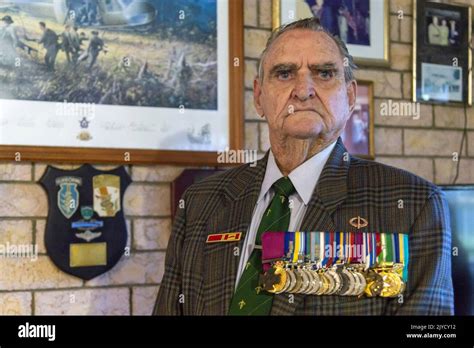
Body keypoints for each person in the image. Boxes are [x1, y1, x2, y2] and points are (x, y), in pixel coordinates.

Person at [154, 17, 454, 315]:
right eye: (284, 73)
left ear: (350, 97)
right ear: (259, 98)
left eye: (323, 73)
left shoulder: (414, 204)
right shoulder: (199, 202)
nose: (303, 90)